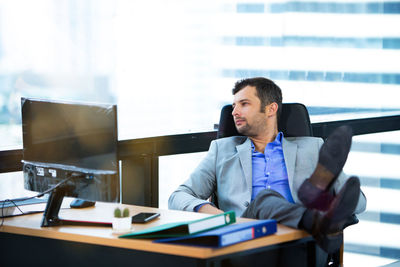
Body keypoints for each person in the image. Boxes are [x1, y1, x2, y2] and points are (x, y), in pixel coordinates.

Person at [168, 77, 366, 255]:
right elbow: (178, 196)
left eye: (244, 104)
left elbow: (359, 203)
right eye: (234, 105)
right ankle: (315, 219)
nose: (234, 112)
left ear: (271, 109)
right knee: (265, 200)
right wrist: (213, 213)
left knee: (315, 199)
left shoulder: (312, 148)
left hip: (299, 241)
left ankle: (316, 203)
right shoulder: (222, 150)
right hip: (244, 240)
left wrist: (329, 200)